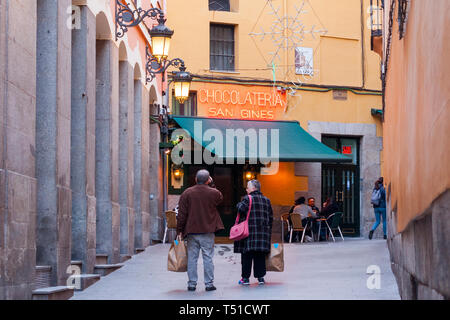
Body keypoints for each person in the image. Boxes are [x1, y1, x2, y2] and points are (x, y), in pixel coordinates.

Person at [177, 169, 224, 292]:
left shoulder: (187, 193)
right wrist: (212, 184)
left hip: (192, 231)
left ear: (196, 179)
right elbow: (220, 198)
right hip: (208, 230)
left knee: (192, 258)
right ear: (209, 180)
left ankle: (192, 284)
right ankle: (209, 284)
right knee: (208, 257)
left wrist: (179, 231)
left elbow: (182, 214)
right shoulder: (214, 193)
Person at [234, 180, 273, 286]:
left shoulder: (247, 199)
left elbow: (240, 208)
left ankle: (245, 279)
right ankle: (260, 278)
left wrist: (238, 203)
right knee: (260, 256)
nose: (246, 189)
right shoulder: (267, 200)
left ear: (253, 188)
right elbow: (270, 217)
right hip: (262, 234)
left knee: (247, 256)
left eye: (248, 187)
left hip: (249, 234)